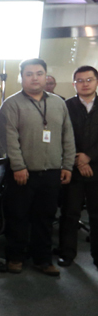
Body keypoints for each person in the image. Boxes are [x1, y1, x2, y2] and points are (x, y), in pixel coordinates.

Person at [0, 58, 75, 276]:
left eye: (39, 73)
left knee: (46, 218)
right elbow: (9, 139)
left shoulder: (59, 103)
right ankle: (15, 258)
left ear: (45, 76)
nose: (35, 78)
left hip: (52, 172)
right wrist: (18, 166)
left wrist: (67, 165)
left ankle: (42, 259)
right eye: (29, 74)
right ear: (22, 77)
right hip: (22, 172)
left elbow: (68, 136)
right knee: (18, 217)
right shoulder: (11, 104)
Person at [58, 65, 98, 267]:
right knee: (69, 213)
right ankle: (67, 254)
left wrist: (89, 156)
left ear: (96, 81)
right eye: (80, 81)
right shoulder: (66, 106)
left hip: (96, 168)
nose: (85, 84)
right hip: (72, 168)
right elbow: (62, 135)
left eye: (89, 80)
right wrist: (78, 159)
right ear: (74, 84)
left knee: (96, 214)